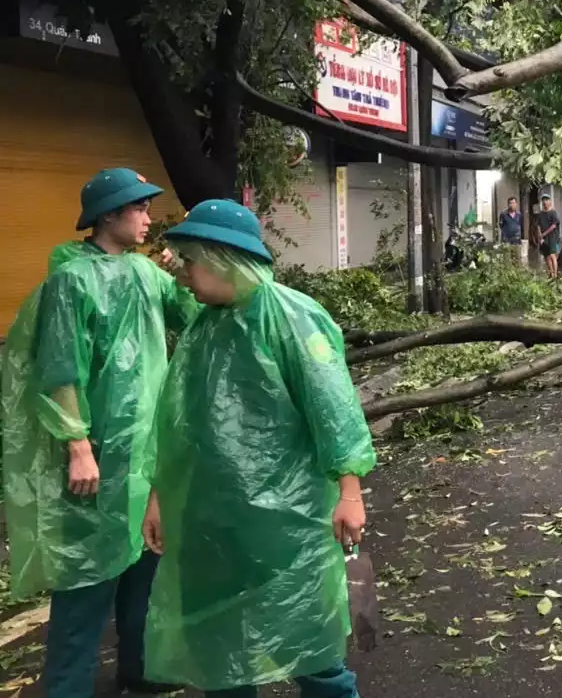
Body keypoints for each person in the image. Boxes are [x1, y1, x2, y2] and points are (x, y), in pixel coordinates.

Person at [141, 200, 376, 696]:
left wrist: (349, 492)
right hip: (211, 522)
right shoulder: (205, 326)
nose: (183, 276)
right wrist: (160, 497)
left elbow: (331, 406)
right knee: (221, 649)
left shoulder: (290, 316)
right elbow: (176, 425)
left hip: (285, 524)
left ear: (221, 258)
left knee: (313, 650)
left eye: (190, 262)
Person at [0, 168, 199, 697]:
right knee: (87, 580)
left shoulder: (145, 273)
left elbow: (190, 315)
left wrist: (188, 272)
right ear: (109, 215)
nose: (148, 217)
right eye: (139, 208)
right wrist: (78, 446)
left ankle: (140, 669)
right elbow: (60, 371)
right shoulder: (71, 280)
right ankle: (66, 688)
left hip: (145, 452)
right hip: (100, 452)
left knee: (144, 567)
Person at [536, 194, 561, 279]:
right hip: (543, 238)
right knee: (546, 256)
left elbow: (554, 226)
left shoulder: (553, 213)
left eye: (547, 200)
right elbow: (538, 225)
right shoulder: (541, 214)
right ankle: (551, 273)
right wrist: (540, 235)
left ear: (550, 202)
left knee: (552, 255)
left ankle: (555, 274)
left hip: (552, 237)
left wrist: (544, 234)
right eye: (543, 200)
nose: (545, 202)